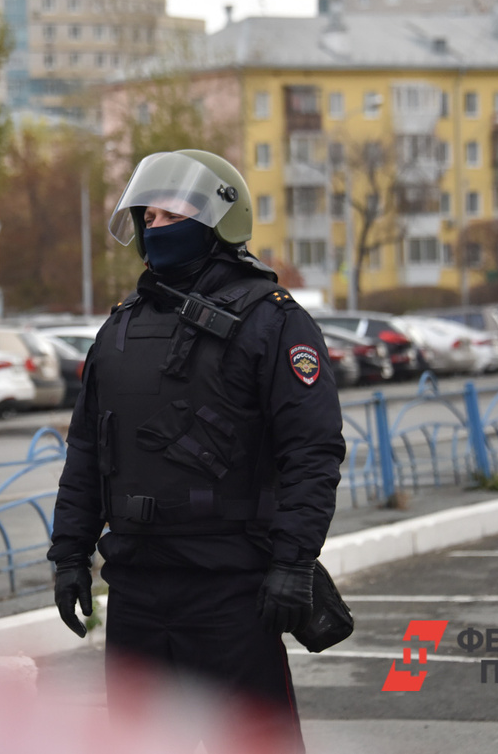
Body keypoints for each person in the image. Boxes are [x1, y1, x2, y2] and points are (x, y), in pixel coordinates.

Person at [47, 149, 344, 751]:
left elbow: (312, 451)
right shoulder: (120, 327)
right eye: (146, 217)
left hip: (231, 588)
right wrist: (69, 554)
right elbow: (87, 452)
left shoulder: (273, 321)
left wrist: (292, 562)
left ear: (217, 220)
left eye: (168, 215)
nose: (153, 227)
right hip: (135, 587)